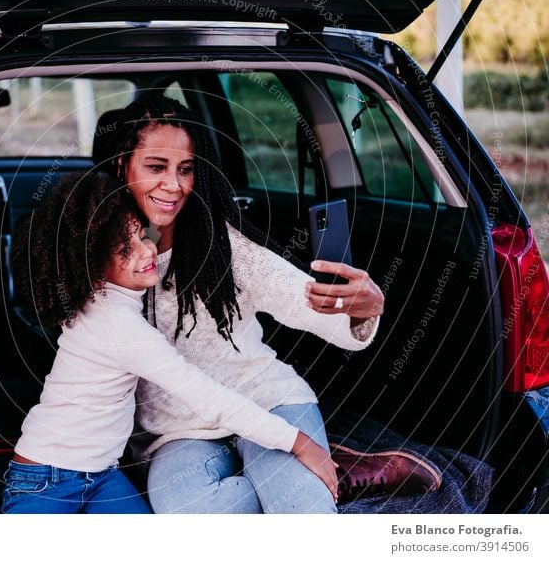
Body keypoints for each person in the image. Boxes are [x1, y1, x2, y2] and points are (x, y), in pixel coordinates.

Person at [95, 92, 390, 513]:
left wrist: (362, 307)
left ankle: (305, 475)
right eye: (156, 167)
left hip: (267, 401)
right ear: (123, 166)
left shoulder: (223, 247)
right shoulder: (98, 253)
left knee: (301, 513)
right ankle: (316, 473)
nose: (173, 185)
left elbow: (302, 298)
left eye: (186, 169)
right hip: (181, 432)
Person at [1, 172, 346, 514]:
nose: (146, 251)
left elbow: (144, 236)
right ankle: (267, 475)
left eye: (140, 234)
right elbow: (205, 396)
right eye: (126, 248)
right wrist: (300, 444)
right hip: (46, 476)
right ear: (93, 264)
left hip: (103, 476)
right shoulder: (120, 328)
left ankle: (268, 473)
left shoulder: (108, 290)